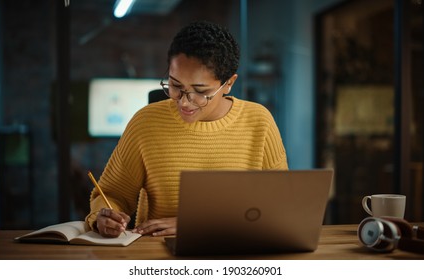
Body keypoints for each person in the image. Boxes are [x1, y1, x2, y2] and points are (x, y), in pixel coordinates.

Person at [85, 21, 288, 238]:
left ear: (229, 83)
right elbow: (112, 195)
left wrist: (196, 225)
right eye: (175, 86)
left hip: (238, 252)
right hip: (158, 257)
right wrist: (104, 215)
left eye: (200, 91)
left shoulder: (259, 121)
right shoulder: (146, 123)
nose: (184, 102)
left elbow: (280, 206)